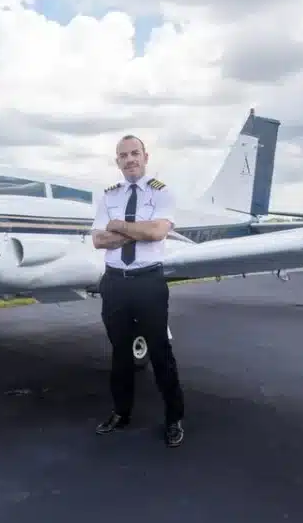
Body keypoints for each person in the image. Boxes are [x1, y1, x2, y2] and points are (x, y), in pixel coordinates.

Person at [90, 133, 185, 447]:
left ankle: (173, 418)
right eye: (123, 155)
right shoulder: (109, 196)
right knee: (120, 353)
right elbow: (98, 240)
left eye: (135, 154)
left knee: (160, 353)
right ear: (117, 161)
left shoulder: (162, 193)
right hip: (115, 283)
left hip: (148, 282)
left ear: (146, 157)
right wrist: (138, 232)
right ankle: (121, 412)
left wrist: (119, 226)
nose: (129, 160)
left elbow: (157, 232)